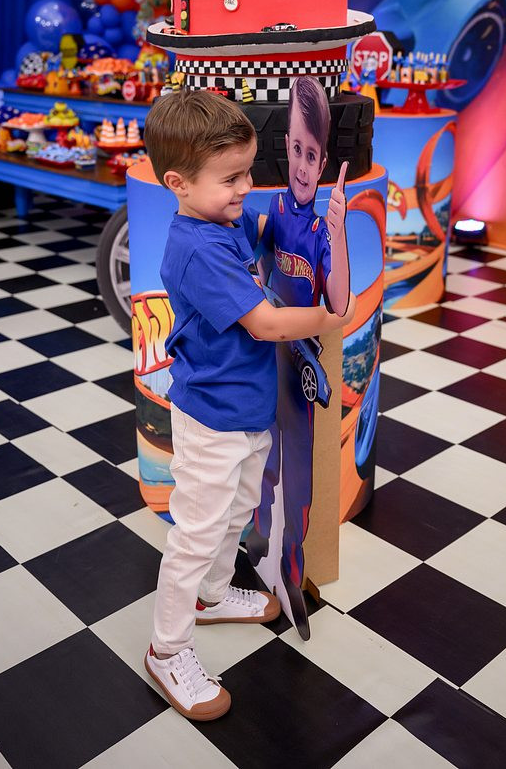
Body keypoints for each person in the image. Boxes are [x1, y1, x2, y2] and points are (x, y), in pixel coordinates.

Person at [142, 89, 355, 722]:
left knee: (236, 511)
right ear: (179, 184)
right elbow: (263, 324)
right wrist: (329, 317)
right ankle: (166, 649)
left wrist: (307, 222)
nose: (245, 189)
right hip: (213, 416)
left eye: (247, 172)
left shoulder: (221, 218)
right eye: (231, 179)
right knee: (196, 535)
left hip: (248, 409)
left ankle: (211, 596)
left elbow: (263, 229)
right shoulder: (196, 248)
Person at [247, 76, 349, 638]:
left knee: (301, 477)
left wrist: (338, 234)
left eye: (313, 155)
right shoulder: (275, 206)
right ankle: (258, 543)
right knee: (263, 459)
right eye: (297, 151)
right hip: (270, 357)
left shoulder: (319, 226)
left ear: (323, 160)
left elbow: (339, 303)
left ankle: (292, 567)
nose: (304, 165)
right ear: (286, 148)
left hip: (303, 366)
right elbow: (259, 260)